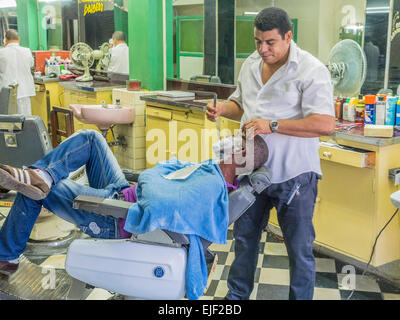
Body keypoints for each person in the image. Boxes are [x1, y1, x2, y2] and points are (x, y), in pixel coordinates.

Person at [0, 129, 268, 277]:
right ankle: (42, 173)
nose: (230, 138)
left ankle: (6, 253)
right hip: (123, 192)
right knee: (92, 138)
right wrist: (157, 175)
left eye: (237, 138)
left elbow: (160, 204)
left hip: (115, 214)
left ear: (241, 153)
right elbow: (168, 174)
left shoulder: (212, 187)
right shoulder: (213, 170)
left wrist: (153, 176)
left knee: (36, 190)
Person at [206, 7, 335, 300]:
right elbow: (240, 104)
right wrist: (223, 109)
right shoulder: (251, 63)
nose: (262, 49)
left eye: (270, 42)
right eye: (257, 41)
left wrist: (272, 125)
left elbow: (325, 124)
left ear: (288, 36)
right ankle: (236, 297)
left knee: (298, 249)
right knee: (244, 239)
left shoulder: (311, 70)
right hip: (252, 171)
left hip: (295, 176)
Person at [0, 29, 35, 116]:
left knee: (8, 121)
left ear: (5, 39)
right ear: (18, 39)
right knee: (25, 119)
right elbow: (31, 65)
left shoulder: (1, 52)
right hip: (25, 91)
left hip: (7, 92)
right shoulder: (27, 51)